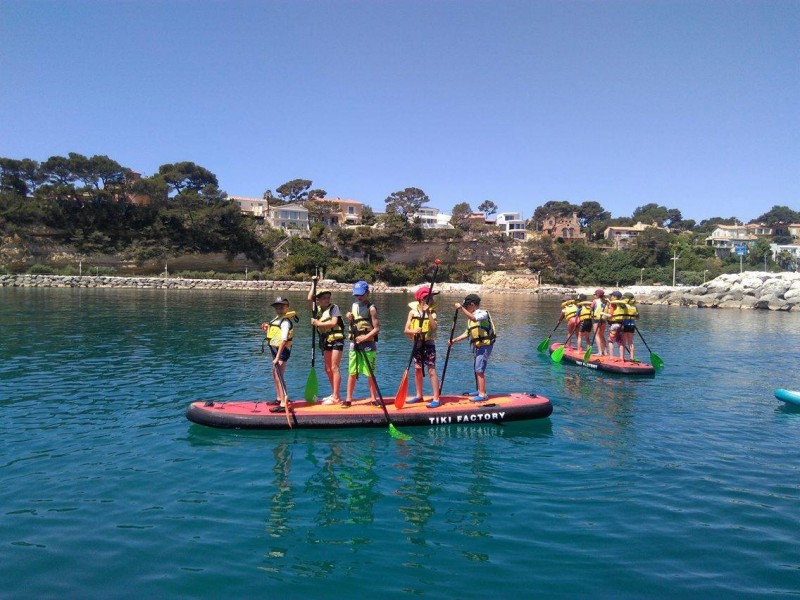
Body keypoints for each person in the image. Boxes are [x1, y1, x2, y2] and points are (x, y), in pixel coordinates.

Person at [449, 293, 496, 403]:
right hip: (477, 347)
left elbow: (475, 319)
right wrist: (454, 340)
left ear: (472, 305)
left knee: (479, 370)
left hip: (485, 346)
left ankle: (482, 394)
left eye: (466, 306)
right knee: (476, 369)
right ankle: (479, 389)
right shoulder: (469, 319)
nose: (465, 308)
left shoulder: (483, 313)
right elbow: (467, 333)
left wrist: (461, 308)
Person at [403, 285, 441, 408]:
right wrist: (414, 331)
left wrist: (428, 312)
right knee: (418, 368)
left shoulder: (433, 312)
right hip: (417, 343)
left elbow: (434, 327)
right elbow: (406, 330)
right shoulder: (412, 312)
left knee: (431, 370)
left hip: (429, 343)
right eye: (429, 297)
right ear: (422, 299)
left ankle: (436, 398)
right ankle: (419, 395)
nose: (432, 299)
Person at [344, 280, 380, 408]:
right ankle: (348, 399)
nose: (359, 297)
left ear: (367, 293)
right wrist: (349, 317)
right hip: (355, 343)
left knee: (370, 373)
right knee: (352, 372)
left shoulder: (372, 308)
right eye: (356, 295)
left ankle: (373, 398)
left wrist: (365, 337)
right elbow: (353, 323)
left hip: (368, 343)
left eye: (361, 295)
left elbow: (376, 328)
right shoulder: (354, 306)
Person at [308, 276, 344, 405]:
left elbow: (333, 322)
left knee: (334, 367)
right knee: (327, 368)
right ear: (318, 300)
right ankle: (335, 393)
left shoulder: (334, 308)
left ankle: (336, 397)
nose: (327, 300)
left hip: (336, 340)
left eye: (328, 298)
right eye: (324, 298)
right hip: (325, 341)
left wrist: (317, 323)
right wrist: (314, 283)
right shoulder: (317, 310)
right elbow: (309, 299)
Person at [262, 297, 298, 413]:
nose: (279, 309)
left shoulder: (285, 322)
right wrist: (267, 328)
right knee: (275, 374)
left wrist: (277, 357)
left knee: (279, 376)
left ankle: (284, 404)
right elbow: (275, 332)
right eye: (277, 307)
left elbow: (283, 340)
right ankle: (279, 398)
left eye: (282, 307)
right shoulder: (277, 319)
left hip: (282, 351)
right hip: (275, 350)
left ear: (287, 308)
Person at [605, 290, 626, 359]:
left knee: (611, 341)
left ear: (615, 297)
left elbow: (610, 315)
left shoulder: (613, 304)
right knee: (620, 342)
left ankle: (611, 357)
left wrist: (602, 314)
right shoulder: (623, 304)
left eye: (612, 296)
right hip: (622, 325)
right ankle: (621, 358)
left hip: (614, 325)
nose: (611, 297)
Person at [589, 289, 608, 356]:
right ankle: (605, 352)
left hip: (596, 320)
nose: (594, 296)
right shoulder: (606, 301)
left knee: (597, 335)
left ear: (597, 295)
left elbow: (591, 309)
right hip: (604, 320)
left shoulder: (595, 301)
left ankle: (600, 352)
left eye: (595, 294)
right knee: (602, 335)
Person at [621, 292, 638, 361]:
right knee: (630, 342)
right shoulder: (634, 306)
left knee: (623, 341)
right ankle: (632, 357)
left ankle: (622, 358)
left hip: (625, 324)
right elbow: (638, 317)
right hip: (632, 325)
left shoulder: (624, 305)